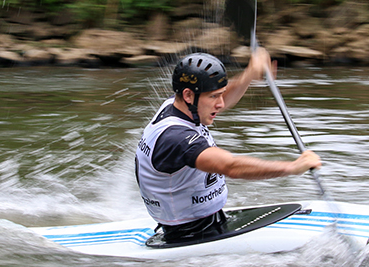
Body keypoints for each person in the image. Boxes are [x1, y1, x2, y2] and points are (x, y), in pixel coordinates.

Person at [135, 50, 322, 242]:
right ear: (189, 95)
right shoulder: (176, 139)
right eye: (215, 97)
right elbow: (230, 166)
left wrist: (249, 74)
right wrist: (292, 167)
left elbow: (219, 100)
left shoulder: (176, 107)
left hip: (202, 222)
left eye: (221, 95)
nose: (221, 104)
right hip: (190, 233)